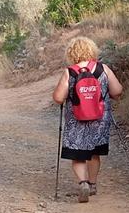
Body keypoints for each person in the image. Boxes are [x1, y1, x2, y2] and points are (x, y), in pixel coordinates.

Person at [52, 37, 123, 203]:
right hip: (100, 119)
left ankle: (82, 182)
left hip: (76, 119)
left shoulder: (70, 72)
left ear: (72, 53)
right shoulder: (102, 69)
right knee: (94, 153)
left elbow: (58, 98)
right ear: (92, 51)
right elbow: (118, 91)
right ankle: (92, 184)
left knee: (78, 154)